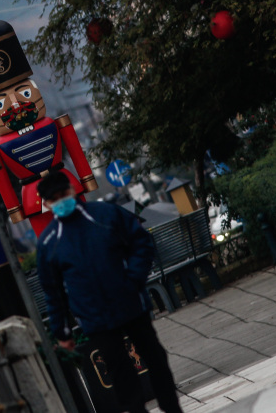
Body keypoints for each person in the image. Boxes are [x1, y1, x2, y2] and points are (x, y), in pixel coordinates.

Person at [36, 171, 183, 413]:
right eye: (54, 199)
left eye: (63, 194)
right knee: (120, 373)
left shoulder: (105, 215)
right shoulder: (49, 243)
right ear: (47, 204)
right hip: (95, 318)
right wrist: (62, 332)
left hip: (130, 303)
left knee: (155, 358)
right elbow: (53, 293)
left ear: (72, 191)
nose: (61, 201)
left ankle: (172, 408)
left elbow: (141, 243)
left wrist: (133, 279)